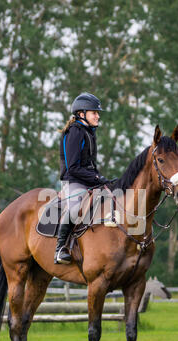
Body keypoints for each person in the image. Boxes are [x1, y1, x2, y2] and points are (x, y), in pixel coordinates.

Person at [54, 92, 110, 264]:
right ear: (81, 114)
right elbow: (73, 167)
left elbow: (90, 164)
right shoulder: (75, 132)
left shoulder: (89, 132)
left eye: (97, 112)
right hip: (73, 180)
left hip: (88, 181)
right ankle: (60, 248)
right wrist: (97, 177)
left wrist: (102, 179)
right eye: (94, 112)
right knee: (75, 209)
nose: (98, 115)